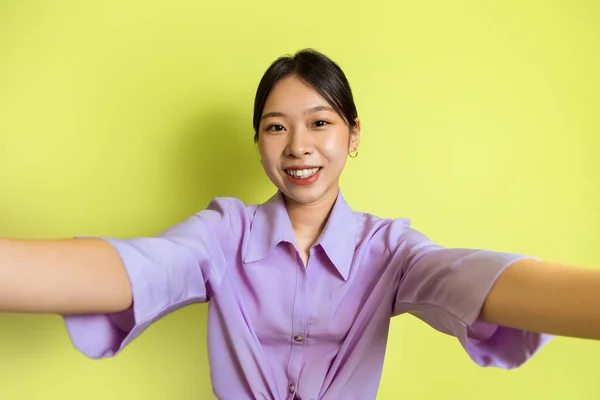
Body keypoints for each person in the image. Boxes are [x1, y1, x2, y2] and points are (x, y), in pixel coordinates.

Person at [0, 48, 598, 400]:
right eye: (276, 126)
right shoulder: (222, 233)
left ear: (353, 135)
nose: (298, 147)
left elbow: (470, 279)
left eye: (320, 123)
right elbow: (133, 267)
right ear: (258, 142)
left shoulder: (389, 248)